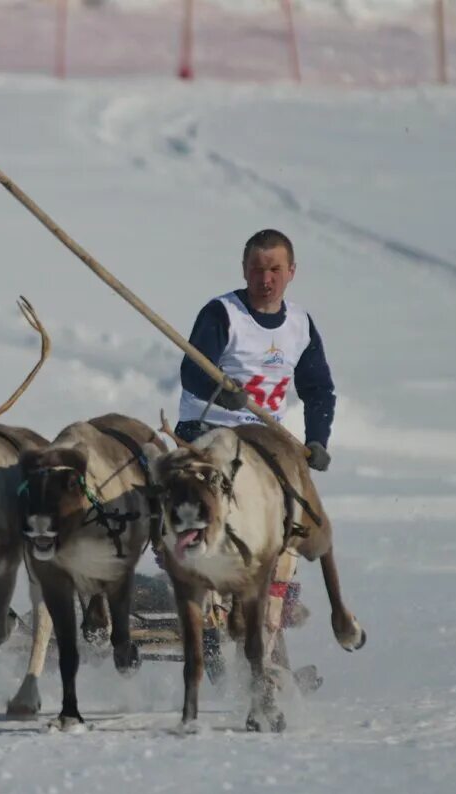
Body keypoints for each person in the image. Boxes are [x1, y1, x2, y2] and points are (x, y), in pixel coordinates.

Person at [174, 228, 334, 692]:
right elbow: (192, 370)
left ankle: (270, 629)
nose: (266, 279)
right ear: (244, 271)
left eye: (275, 270)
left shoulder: (300, 325)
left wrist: (317, 439)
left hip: (266, 441)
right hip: (207, 433)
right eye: (258, 269)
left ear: (291, 273)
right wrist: (220, 386)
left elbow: (318, 389)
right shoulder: (222, 313)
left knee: (293, 525)